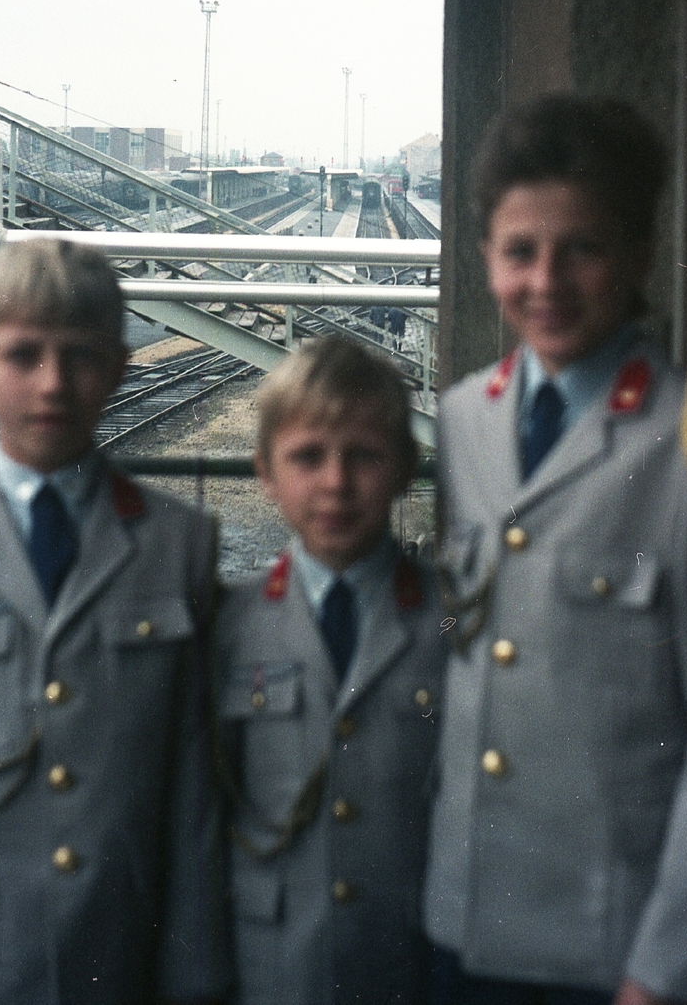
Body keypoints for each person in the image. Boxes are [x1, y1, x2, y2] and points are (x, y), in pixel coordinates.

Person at [426, 95, 687, 1005]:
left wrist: (665, 969)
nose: (548, 281)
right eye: (519, 252)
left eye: (584, 248)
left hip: (612, 949)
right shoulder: (465, 420)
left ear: (641, 256)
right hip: (461, 920)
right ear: (486, 259)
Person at [0, 238, 228, 1005]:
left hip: (129, 952)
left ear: (121, 369)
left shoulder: (177, 545)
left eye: (82, 356)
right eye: (23, 354)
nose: (53, 382)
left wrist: (198, 983)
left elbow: (197, 799)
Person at [219, 335, 445, 1005]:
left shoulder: (455, 624)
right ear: (266, 471)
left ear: (407, 465)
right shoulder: (228, 627)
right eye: (308, 457)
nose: (336, 483)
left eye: (364, 456)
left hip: (415, 969)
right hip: (271, 971)